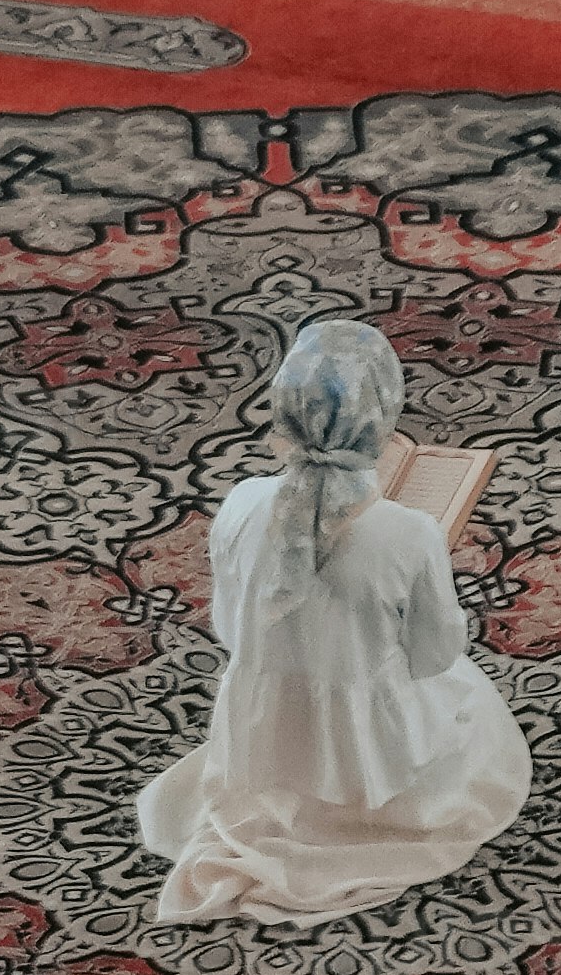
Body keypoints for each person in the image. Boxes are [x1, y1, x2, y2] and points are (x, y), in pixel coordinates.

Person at [134, 315, 530, 928]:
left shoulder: (241, 502)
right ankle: (376, 814)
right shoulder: (409, 531)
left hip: (265, 718)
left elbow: (229, 629)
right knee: (473, 703)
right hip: (375, 733)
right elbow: (434, 654)